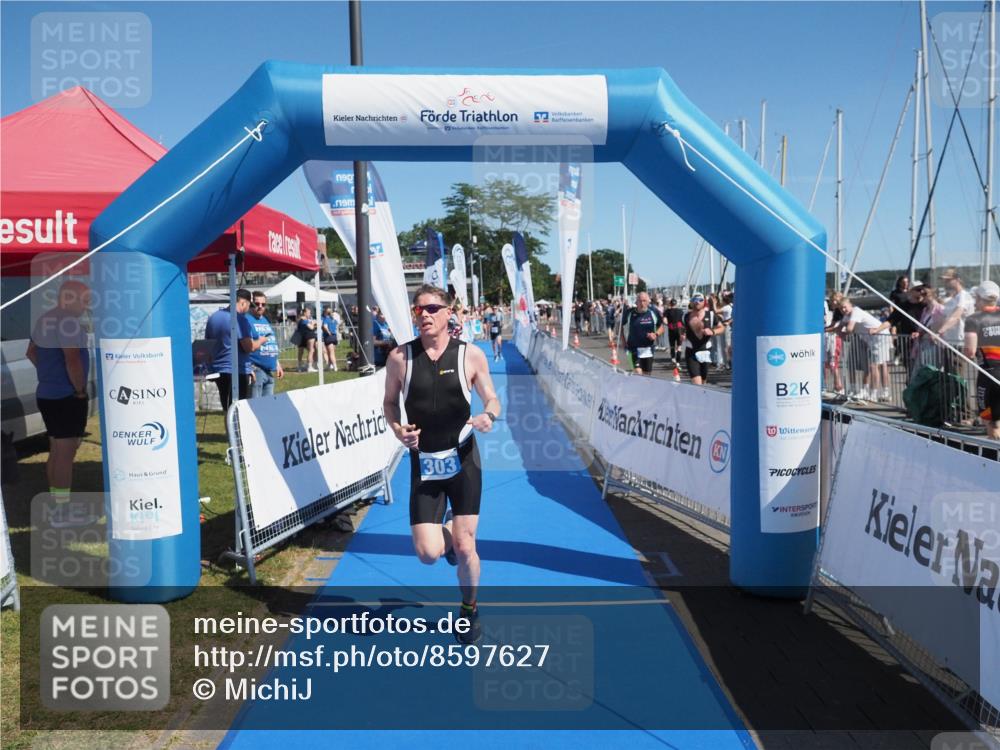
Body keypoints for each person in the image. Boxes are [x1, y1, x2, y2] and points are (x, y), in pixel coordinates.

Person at [382, 285, 501, 644]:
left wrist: (489, 416)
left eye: (432, 308)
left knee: (466, 547)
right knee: (428, 554)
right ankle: (447, 531)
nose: (424, 315)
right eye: (418, 309)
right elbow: (389, 403)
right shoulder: (400, 358)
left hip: (463, 460)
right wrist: (398, 430)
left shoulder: (470, 355)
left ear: (449, 312)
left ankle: (469, 607)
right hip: (425, 463)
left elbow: (492, 398)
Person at [26, 280, 92, 500]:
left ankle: (57, 499)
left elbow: (30, 352)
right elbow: (72, 359)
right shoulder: (68, 322)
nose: (86, 305)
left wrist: (48, 373)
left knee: (56, 449)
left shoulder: (44, 319)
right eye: (84, 300)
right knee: (65, 453)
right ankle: (61, 506)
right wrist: (79, 390)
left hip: (46, 394)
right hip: (66, 396)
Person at [205, 289, 267, 412]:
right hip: (237, 371)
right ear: (243, 303)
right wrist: (261, 340)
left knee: (228, 409)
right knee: (238, 411)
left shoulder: (214, 317)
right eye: (249, 305)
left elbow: (208, 344)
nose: (248, 309)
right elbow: (249, 347)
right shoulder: (239, 319)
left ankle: (229, 425)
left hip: (219, 370)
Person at [964, 280, 1000, 439]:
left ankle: (994, 448)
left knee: (990, 419)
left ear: (979, 298)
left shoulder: (974, 319)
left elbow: (970, 350)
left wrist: (967, 353)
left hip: (988, 374)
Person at [837, 298, 892, 402]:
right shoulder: (847, 315)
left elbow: (849, 328)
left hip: (880, 336)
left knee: (875, 366)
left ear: (850, 305)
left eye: (845, 307)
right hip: (871, 339)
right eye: (841, 308)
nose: (843, 310)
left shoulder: (855, 312)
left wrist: (843, 332)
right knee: (877, 365)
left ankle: (875, 394)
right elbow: (839, 328)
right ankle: (881, 392)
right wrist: (842, 331)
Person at [683, 293, 726, 385]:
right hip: (691, 351)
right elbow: (682, 330)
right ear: (691, 302)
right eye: (695, 300)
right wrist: (682, 335)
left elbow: (722, 328)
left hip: (706, 351)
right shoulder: (686, 316)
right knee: (697, 383)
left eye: (700, 300)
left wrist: (712, 331)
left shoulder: (711, 315)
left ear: (704, 302)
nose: (697, 302)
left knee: (703, 382)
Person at [247, 292, 284, 398]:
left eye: (263, 304)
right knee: (255, 404)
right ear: (251, 303)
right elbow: (245, 346)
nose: (260, 307)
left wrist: (277, 364)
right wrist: (248, 369)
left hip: (269, 371)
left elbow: (270, 341)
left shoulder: (264, 320)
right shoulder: (246, 320)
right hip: (256, 369)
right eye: (257, 304)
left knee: (268, 405)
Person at [621, 292, 665, 376]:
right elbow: (619, 327)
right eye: (640, 301)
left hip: (648, 349)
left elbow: (662, 327)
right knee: (638, 374)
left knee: (647, 376)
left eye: (644, 301)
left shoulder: (653, 312)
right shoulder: (630, 312)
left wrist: (655, 334)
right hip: (633, 349)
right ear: (636, 302)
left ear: (648, 302)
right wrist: (623, 341)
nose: (642, 303)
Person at [296, 307, 319, 372]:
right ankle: (309, 366)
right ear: (304, 313)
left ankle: (302, 366)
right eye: (308, 312)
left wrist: (313, 324)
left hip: (302, 337)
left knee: (304, 352)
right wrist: (313, 323)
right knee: (310, 351)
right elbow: (311, 327)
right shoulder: (303, 320)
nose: (310, 314)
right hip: (305, 336)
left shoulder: (304, 319)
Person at [665, 299, 685, 363]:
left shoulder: (667, 311)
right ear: (676, 304)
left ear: (670, 304)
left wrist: (668, 324)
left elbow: (664, 320)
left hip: (671, 329)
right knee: (679, 346)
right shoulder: (681, 311)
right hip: (679, 329)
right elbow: (683, 320)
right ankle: (678, 361)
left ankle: (673, 358)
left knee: (672, 345)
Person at [321, 306, 339, 372]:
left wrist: (328, 332)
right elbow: (337, 325)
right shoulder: (333, 319)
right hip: (334, 336)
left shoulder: (326, 318)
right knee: (330, 352)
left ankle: (335, 367)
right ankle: (329, 366)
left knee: (331, 353)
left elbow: (324, 326)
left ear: (326, 312)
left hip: (329, 337)